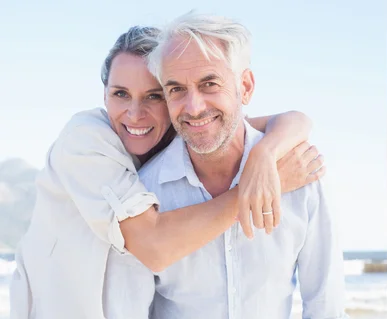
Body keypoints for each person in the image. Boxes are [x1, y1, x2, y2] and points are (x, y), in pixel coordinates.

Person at [9, 25, 325, 319]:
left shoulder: (178, 134)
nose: (134, 113)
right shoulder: (85, 139)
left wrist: (264, 155)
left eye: (154, 96)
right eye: (120, 93)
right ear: (104, 94)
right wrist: (258, 189)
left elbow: (282, 121)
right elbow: (153, 246)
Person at [109, 12, 347, 319]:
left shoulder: (301, 173)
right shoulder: (143, 194)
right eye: (176, 89)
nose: (194, 107)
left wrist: (263, 156)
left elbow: (325, 306)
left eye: (209, 84)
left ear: (245, 86)